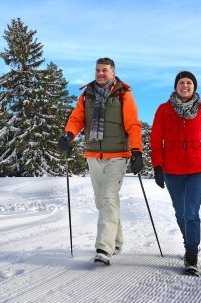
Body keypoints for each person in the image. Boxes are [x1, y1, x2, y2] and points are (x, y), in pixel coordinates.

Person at [58, 57, 143, 266]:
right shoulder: (87, 95)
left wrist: (137, 151)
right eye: (98, 70)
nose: (100, 73)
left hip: (117, 155)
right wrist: (68, 135)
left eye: (104, 70)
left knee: (107, 198)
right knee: (103, 202)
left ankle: (103, 249)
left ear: (113, 73)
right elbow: (77, 119)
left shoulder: (123, 94)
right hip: (94, 155)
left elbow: (133, 124)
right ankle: (116, 240)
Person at [150, 70, 201, 276]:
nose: (185, 86)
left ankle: (192, 254)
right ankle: (190, 243)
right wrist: (157, 166)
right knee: (180, 212)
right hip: (172, 169)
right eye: (181, 82)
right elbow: (155, 140)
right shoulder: (164, 110)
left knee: (191, 212)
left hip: (198, 168)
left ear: (194, 87)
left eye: (189, 83)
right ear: (175, 86)